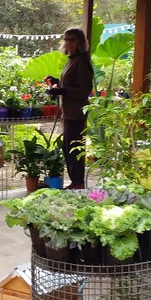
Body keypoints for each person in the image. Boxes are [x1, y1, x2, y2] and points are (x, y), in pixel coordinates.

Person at [45, 28, 94, 190]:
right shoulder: (71, 60)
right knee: (68, 149)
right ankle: (75, 182)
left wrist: (62, 91)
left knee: (74, 149)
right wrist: (56, 82)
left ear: (80, 42)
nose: (69, 43)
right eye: (66, 40)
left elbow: (84, 90)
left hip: (77, 113)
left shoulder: (82, 61)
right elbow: (70, 82)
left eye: (72, 40)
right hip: (69, 112)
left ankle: (78, 183)